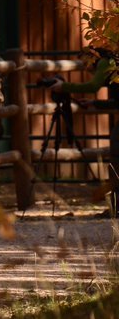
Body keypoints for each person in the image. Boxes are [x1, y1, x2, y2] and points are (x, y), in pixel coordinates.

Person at [50, 48, 118, 215]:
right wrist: (95, 104)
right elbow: (117, 102)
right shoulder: (112, 65)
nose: (86, 68)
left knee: (116, 157)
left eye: (86, 63)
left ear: (93, 58)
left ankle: (116, 207)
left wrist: (64, 87)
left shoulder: (105, 63)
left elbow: (93, 86)